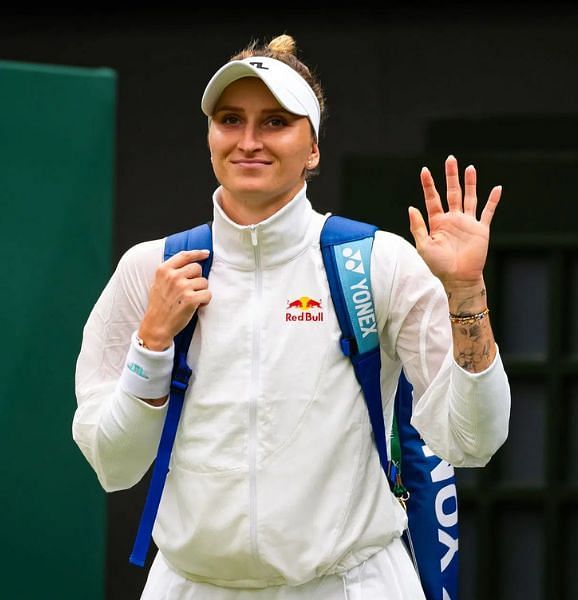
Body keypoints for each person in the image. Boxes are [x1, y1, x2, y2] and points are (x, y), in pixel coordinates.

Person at [72, 34, 511, 598]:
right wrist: (152, 343)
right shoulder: (150, 269)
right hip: (191, 585)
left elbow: (473, 441)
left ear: (314, 148)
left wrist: (467, 293)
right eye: (230, 119)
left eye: (276, 122)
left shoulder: (375, 262)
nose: (249, 141)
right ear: (209, 135)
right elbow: (113, 465)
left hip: (351, 583)